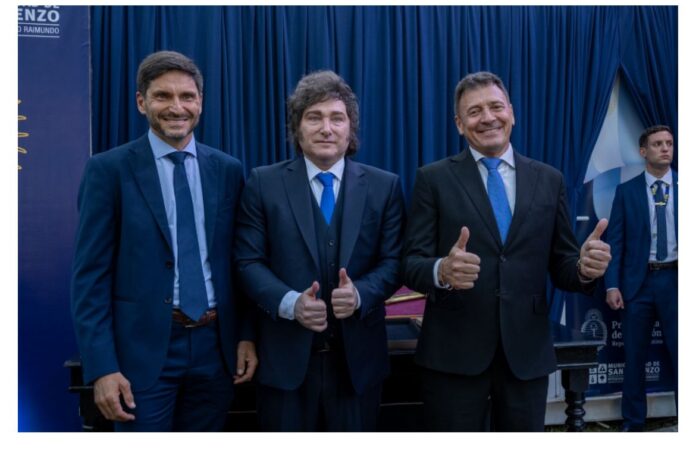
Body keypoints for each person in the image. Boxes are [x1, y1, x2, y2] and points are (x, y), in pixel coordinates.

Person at [401, 71, 612, 431]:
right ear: (459, 124)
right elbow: (410, 264)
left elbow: (562, 263)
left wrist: (584, 268)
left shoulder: (549, 179)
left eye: (496, 107)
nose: (488, 117)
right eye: (474, 111)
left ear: (511, 112)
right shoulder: (433, 179)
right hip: (454, 354)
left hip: (526, 354)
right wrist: (442, 270)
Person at [70, 50, 257, 432]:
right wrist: (103, 367)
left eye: (187, 96)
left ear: (200, 102)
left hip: (216, 350)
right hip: (141, 354)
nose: (177, 107)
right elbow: (90, 278)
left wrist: (246, 336)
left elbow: (242, 264)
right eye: (163, 96)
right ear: (142, 102)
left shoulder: (228, 170)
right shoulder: (108, 171)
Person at [234, 70, 405, 431]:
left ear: (350, 128)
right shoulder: (263, 183)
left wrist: (360, 294)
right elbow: (248, 262)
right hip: (284, 365)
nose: (326, 128)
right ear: (297, 127)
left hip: (358, 367)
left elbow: (393, 262)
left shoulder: (384, 186)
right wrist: (290, 303)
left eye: (336, 118)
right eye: (314, 117)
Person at [605, 125, 678, 432]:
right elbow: (616, 242)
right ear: (643, 151)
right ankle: (633, 425)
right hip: (638, 284)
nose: (665, 148)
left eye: (669, 143)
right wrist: (612, 284)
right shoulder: (627, 192)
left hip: (677, 282)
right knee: (634, 358)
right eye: (658, 144)